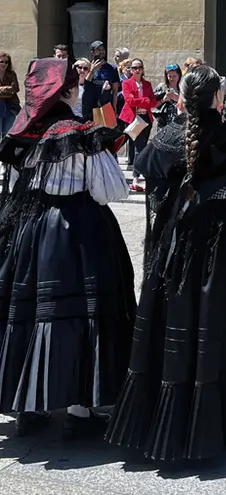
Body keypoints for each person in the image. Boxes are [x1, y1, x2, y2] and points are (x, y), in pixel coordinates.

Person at [105, 64, 226, 461]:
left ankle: (167, 416)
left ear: (182, 98)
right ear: (219, 99)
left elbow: (148, 182)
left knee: (176, 323)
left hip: (177, 246)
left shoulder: (164, 138)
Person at [0, 57, 135, 438]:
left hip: (32, 229)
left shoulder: (23, 130)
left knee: (31, 312)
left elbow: (15, 183)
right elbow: (111, 190)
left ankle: (30, 407)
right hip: (79, 230)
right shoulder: (79, 132)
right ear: (67, 92)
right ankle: (79, 409)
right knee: (81, 311)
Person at [119, 58, 158, 193]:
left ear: (142, 69)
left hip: (145, 118)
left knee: (142, 146)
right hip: (134, 118)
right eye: (134, 68)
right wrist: (144, 100)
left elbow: (153, 102)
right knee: (139, 147)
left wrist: (143, 101)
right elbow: (129, 101)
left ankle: (139, 175)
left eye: (139, 67)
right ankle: (137, 177)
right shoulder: (126, 83)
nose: (137, 70)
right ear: (130, 70)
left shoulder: (147, 84)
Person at [89, 40, 120, 112]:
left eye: (103, 50)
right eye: (99, 50)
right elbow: (85, 84)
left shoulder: (112, 68)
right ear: (93, 52)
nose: (102, 52)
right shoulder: (87, 66)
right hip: (91, 106)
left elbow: (115, 90)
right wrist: (92, 70)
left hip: (107, 105)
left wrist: (114, 107)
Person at [153, 63, 184, 128]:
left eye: (174, 76)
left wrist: (177, 98)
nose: (172, 79)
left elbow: (190, 106)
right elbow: (152, 105)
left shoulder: (183, 88)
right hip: (163, 124)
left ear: (179, 75)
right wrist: (163, 100)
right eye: (170, 76)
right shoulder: (161, 87)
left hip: (179, 124)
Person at [0, 52, 20, 139]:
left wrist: (2, 89)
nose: (4, 64)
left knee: (7, 133)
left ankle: (4, 152)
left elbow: (15, 88)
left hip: (10, 105)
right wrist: (7, 89)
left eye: (6, 62)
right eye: (1, 61)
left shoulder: (11, 74)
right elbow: (11, 89)